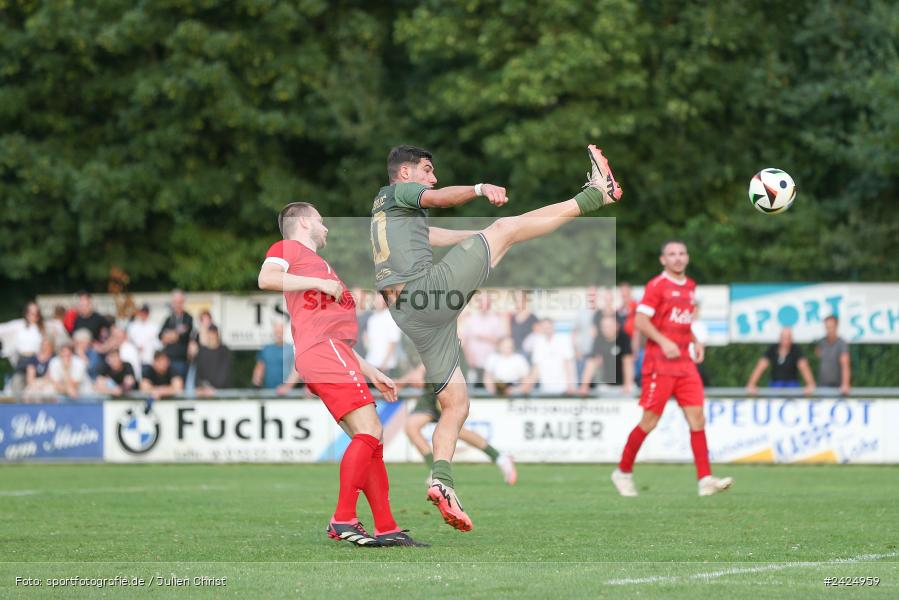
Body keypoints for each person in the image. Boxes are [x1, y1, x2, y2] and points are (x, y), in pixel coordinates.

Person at [370, 144, 621, 531]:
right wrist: (478, 187)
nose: (432, 176)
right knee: (506, 229)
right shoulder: (398, 191)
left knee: (455, 404)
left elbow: (430, 234)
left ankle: (441, 480)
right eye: (426, 169)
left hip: (410, 315)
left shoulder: (389, 211)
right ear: (404, 174)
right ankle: (595, 194)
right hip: (424, 296)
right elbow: (438, 198)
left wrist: (485, 235)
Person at [258, 201, 428, 547]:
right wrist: (319, 283)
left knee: (370, 440)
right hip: (324, 353)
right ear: (303, 222)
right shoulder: (289, 248)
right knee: (371, 430)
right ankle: (343, 519)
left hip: (333, 353)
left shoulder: (320, 265)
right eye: (321, 221)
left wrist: (371, 370)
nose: (326, 227)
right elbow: (266, 278)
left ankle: (387, 527)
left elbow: (335, 335)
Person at [611, 241, 733, 497]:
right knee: (649, 422)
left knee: (697, 418)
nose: (677, 258)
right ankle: (622, 472)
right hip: (660, 365)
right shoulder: (657, 286)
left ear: (687, 258)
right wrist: (664, 341)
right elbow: (642, 321)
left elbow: (682, 323)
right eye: (671, 254)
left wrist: (695, 341)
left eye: (681, 254)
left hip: (685, 365)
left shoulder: (690, 287)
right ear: (663, 260)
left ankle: (705, 479)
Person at [746, 328, 815, 395]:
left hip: (792, 385)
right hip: (775, 384)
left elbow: (803, 366)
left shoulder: (796, 349)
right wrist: (752, 383)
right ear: (780, 338)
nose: (786, 340)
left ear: (791, 339)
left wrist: (810, 384)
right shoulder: (773, 348)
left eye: (788, 338)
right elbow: (761, 366)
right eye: (784, 338)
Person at [460, 293, 508, 387]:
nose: (484, 306)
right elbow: (465, 341)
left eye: (487, 303)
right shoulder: (470, 320)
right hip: (473, 362)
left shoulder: (496, 320)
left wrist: (484, 337)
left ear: (490, 304)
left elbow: (501, 341)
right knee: (473, 389)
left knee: (490, 390)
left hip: (490, 364)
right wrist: (469, 356)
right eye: (482, 303)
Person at [578, 315, 634, 395]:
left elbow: (627, 363)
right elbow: (591, 363)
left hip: (622, 385)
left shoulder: (624, 338)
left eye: (609, 326)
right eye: (604, 326)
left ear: (617, 326)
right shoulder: (598, 340)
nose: (606, 329)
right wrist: (584, 386)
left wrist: (627, 385)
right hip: (605, 386)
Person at [522, 318, 576, 395]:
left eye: (548, 327)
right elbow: (536, 368)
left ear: (553, 327)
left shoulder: (563, 340)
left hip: (563, 388)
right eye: (544, 328)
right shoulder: (538, 342)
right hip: (545, 388)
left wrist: (570, 385)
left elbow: (568, 364)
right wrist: (528, 386)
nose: (546, 330)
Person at [253, 321, 297, 393]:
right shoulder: (266, 348)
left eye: (281, 331)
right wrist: (256, 381)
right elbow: (260, 366)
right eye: (277, 331)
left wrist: (287, 387)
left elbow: (296, 371)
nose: (278, 333)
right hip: (268, 392)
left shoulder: (291, 349)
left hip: (288, 394)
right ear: (273, 331)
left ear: (285, 331)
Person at [158, 289, 193, 378]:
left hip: (181, 359)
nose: (177, 304)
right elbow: (160, 336)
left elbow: (184, 336)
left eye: (180, 302)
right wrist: (176, 333)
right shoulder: (168, 319)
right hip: (167, 360)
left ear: (183, 302)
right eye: (175, 302)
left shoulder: (188, 318)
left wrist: (169, 335)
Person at [816, 315, 851, 395]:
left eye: (831, 327)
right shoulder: (821, 342)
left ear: (836, 326)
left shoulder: (841, 343)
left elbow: (845, 364)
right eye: (827, 327)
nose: (829, 330)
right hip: (822, 385)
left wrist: (845, 384)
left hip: (837, 386)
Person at [194, 325, 232, 396]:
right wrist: (202, 387)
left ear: (217, 336)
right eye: (210, 335)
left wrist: (215, 389)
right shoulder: (202, 352)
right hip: (205, 392)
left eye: (213, 335)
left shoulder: (224, 351)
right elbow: (198, 374)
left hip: (222, 392)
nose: (212, 337)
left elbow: (224, 373)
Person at [128, 304, 161, 372]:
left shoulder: (154, 326)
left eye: (145, 312)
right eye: (141, 312)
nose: (143, 314)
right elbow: (129, 340)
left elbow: (158, 343)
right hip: (134, 358)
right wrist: (137, 347)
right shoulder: (133, 326)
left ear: (148, 314)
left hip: (149, 358)